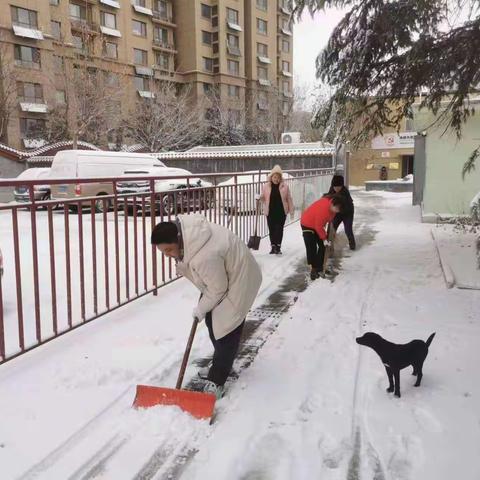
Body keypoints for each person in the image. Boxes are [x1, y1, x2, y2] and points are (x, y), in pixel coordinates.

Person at [151, 215, 262, 399]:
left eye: (169, 250)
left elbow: (218, 288)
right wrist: (205, 308)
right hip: (225, 277)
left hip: (239, 281)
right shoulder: (190, 237)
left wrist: (201, 309)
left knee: (226, 329)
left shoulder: (203, 256)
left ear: (178, 239)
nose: (169, 255)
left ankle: (217, 381)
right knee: (213, 323)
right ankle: (222, 363)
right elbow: (214, 284)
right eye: (164, 252)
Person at [300, 194, 345, 280]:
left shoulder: (333, 209)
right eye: (337, 209)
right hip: (307, 223)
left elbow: (328, 221)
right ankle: (313, 269)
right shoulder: (324, 209)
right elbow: (318, 226)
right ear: (334, 204)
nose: (337, 211)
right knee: (311, 246)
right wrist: (324, 238)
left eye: (339, 210)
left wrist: (328, 235)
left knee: (323, 246)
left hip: (317, 224)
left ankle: (320, 267)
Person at [257, 165, 294, 255]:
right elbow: (264, 198)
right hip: (270, 212)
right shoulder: (266, 186)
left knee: (279, 229)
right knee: (272, 230)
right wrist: (259, 197)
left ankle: (278, 246)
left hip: (281, 211)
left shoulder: (285, 186)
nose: (276, 179)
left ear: (280, 178)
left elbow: (289, 199)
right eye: (274, 177)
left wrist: (291, 211)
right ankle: (273, 246)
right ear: (271, 177)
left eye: (278, 177)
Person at [328, 174, 356, 250]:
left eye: (338, 187)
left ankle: (352, 245)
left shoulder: (345, 193)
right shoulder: (331, 190)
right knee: (332, 229)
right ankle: (329, 247)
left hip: (347, 212)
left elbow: (346, 206)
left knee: (348, 229)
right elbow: (328, 200)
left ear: (342, 186)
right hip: (337, 212)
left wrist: (337, 209)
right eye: (335, 187)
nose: (336, 189)